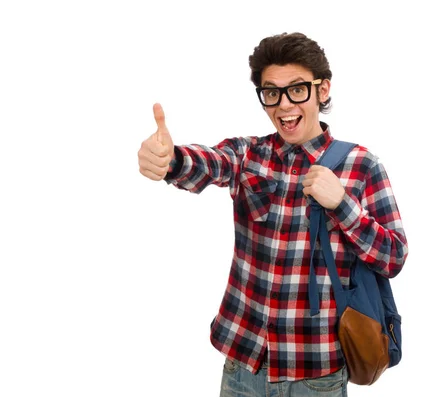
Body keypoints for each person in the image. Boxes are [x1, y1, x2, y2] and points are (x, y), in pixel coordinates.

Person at [137, 32, 408, 397]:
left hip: (317, 372)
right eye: (271, 93)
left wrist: (342, 204)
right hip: (243, 365)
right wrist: (171, 160)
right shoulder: (249, 154)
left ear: (322, 90)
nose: (284, 106)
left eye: (297, 90)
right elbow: (210, 162)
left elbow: (393, 256)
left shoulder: (361, 165)